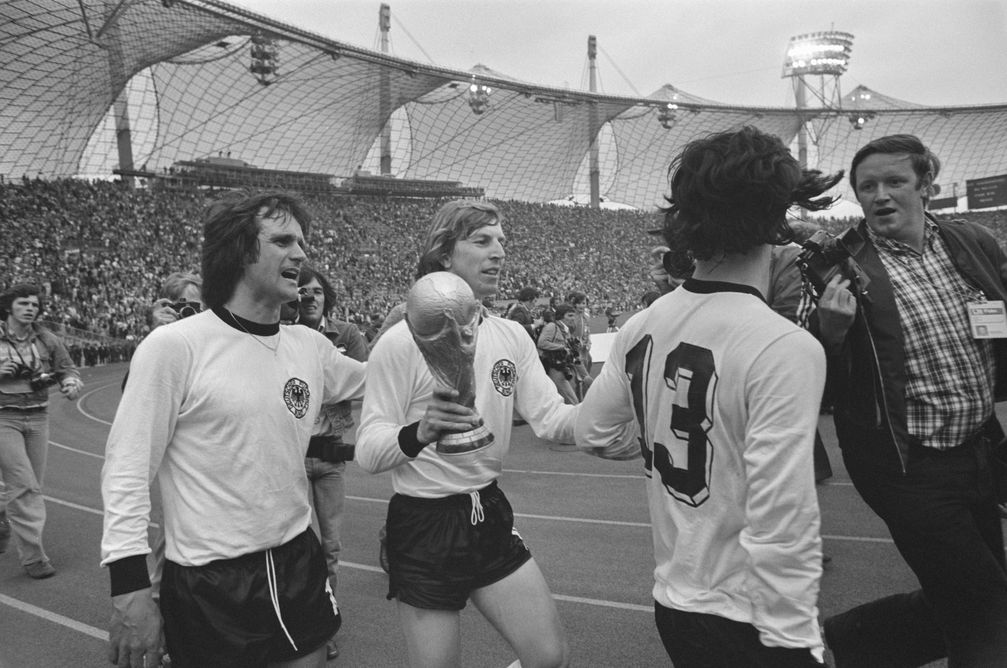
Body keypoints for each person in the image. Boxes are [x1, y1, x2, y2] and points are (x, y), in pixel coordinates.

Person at [575, 126, 840, 666]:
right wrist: (797, 640)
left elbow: (592, 431)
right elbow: (782, 518)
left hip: (673, 599)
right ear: (777, 216)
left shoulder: (643, 324)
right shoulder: (784, 344)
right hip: (748, 616)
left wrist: (659, 435)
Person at [100, 190, 367, 668]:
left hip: (298, 561)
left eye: (302, 242)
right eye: (284, 240)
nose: (302, 254)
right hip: (210, 582)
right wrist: (130, 588)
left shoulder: (309, 346)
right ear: (240, 251)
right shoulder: (175, 347)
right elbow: (126, 470)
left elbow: (385, 381)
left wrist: (439, 325)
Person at [813, 134, 1007, 667]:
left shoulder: (974, 243)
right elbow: (820, 381)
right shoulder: (840, 264)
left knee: (980, 591)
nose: (880, 195)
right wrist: (828, 333)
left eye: (895, 182)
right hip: (906, 466)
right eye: (867, 187)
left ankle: (859, 641)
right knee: (983, 605)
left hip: (978, 450)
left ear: (928, 186)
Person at [356, 199, 575, 668]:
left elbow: (552, 418)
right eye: (481, 241)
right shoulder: (399, 343)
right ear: (443, 256)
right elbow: (368, 451)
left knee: (549, 658)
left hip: (488, 510)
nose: (498, 252)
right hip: (424, 524)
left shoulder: (512, 335)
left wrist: (613, 416)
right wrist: (421, 431)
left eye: (501, 241)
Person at [296, 264, 370, 661]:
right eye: (302, 290)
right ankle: (295, 623)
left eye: (317, 291)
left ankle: (324, 626)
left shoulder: (347, 335)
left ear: (328, 297)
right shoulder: (282, 333)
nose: (309, 297)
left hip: (329, 455)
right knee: (292, 546)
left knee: (330, 547)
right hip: (290, 457)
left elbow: (360, 384)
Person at [0, 283, 82, 578]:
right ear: (9, 306)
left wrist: (71, 383)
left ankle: (1, 513)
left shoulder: (47, 339)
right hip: (3, 417)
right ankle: (34, 557)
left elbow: (67, 369)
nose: (30, 308)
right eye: (23, 303)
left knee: (33, 484)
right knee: (25, 487)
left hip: (37, 416)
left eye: (34, 304)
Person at [537, 303, 580, 405]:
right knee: (572, 401)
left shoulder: (565, 329)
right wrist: (562, 347)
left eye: (573, 315)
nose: (573, 318)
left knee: (566, 401)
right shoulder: (552, 326)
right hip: (554, 368)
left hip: (563, 368)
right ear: (561, 316)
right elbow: (541, 343)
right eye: (569, 315)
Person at [564, 290, 593, 398]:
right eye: (579, 303)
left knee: (588, 369)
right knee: (581, 376)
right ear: (575, 304)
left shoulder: (585, 315)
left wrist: (588, 340)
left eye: (584, 303)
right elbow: (568, 334)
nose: (582, 305)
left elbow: (587, 329)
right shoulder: (572, 317)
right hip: (576, 350)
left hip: (585, 349)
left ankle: (586, 396)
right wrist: (575, 344)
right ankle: (581, 400)